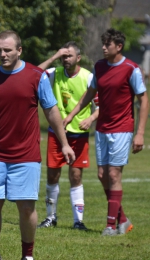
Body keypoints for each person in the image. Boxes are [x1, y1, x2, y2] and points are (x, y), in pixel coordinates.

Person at [0, 30, 76, 260]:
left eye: (7, 50)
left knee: (27, 209)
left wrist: (64, 144)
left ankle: (27, 256)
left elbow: (51, 112)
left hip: (26, 157)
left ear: (19, 50)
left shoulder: (36, 76)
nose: (2, 54)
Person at [63, 28, 149, 236]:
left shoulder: (131, 68)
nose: (103, 47)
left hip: (122, 129)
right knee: (102, 175)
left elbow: (143, 100)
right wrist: (71, 115)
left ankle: (111, 226)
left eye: (107, 44)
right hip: (102, 128)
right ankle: (123, 220)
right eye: (103, 43)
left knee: (113, 174)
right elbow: (89, 94)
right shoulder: (99, 67)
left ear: (118, 47)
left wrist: (140, 133)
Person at [37, 41, 99, 230]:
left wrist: (90, 119)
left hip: (79, 134)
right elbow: (33, 72)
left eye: (69, 55)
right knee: (52, 175)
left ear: (78, 58)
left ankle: (78, 221)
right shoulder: (54, 73)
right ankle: (50, 218)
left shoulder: (88, 77)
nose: (65, 59)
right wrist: (54, 56)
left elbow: (101, 107)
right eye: (63, 56)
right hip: (57, 133)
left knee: (75, 176)